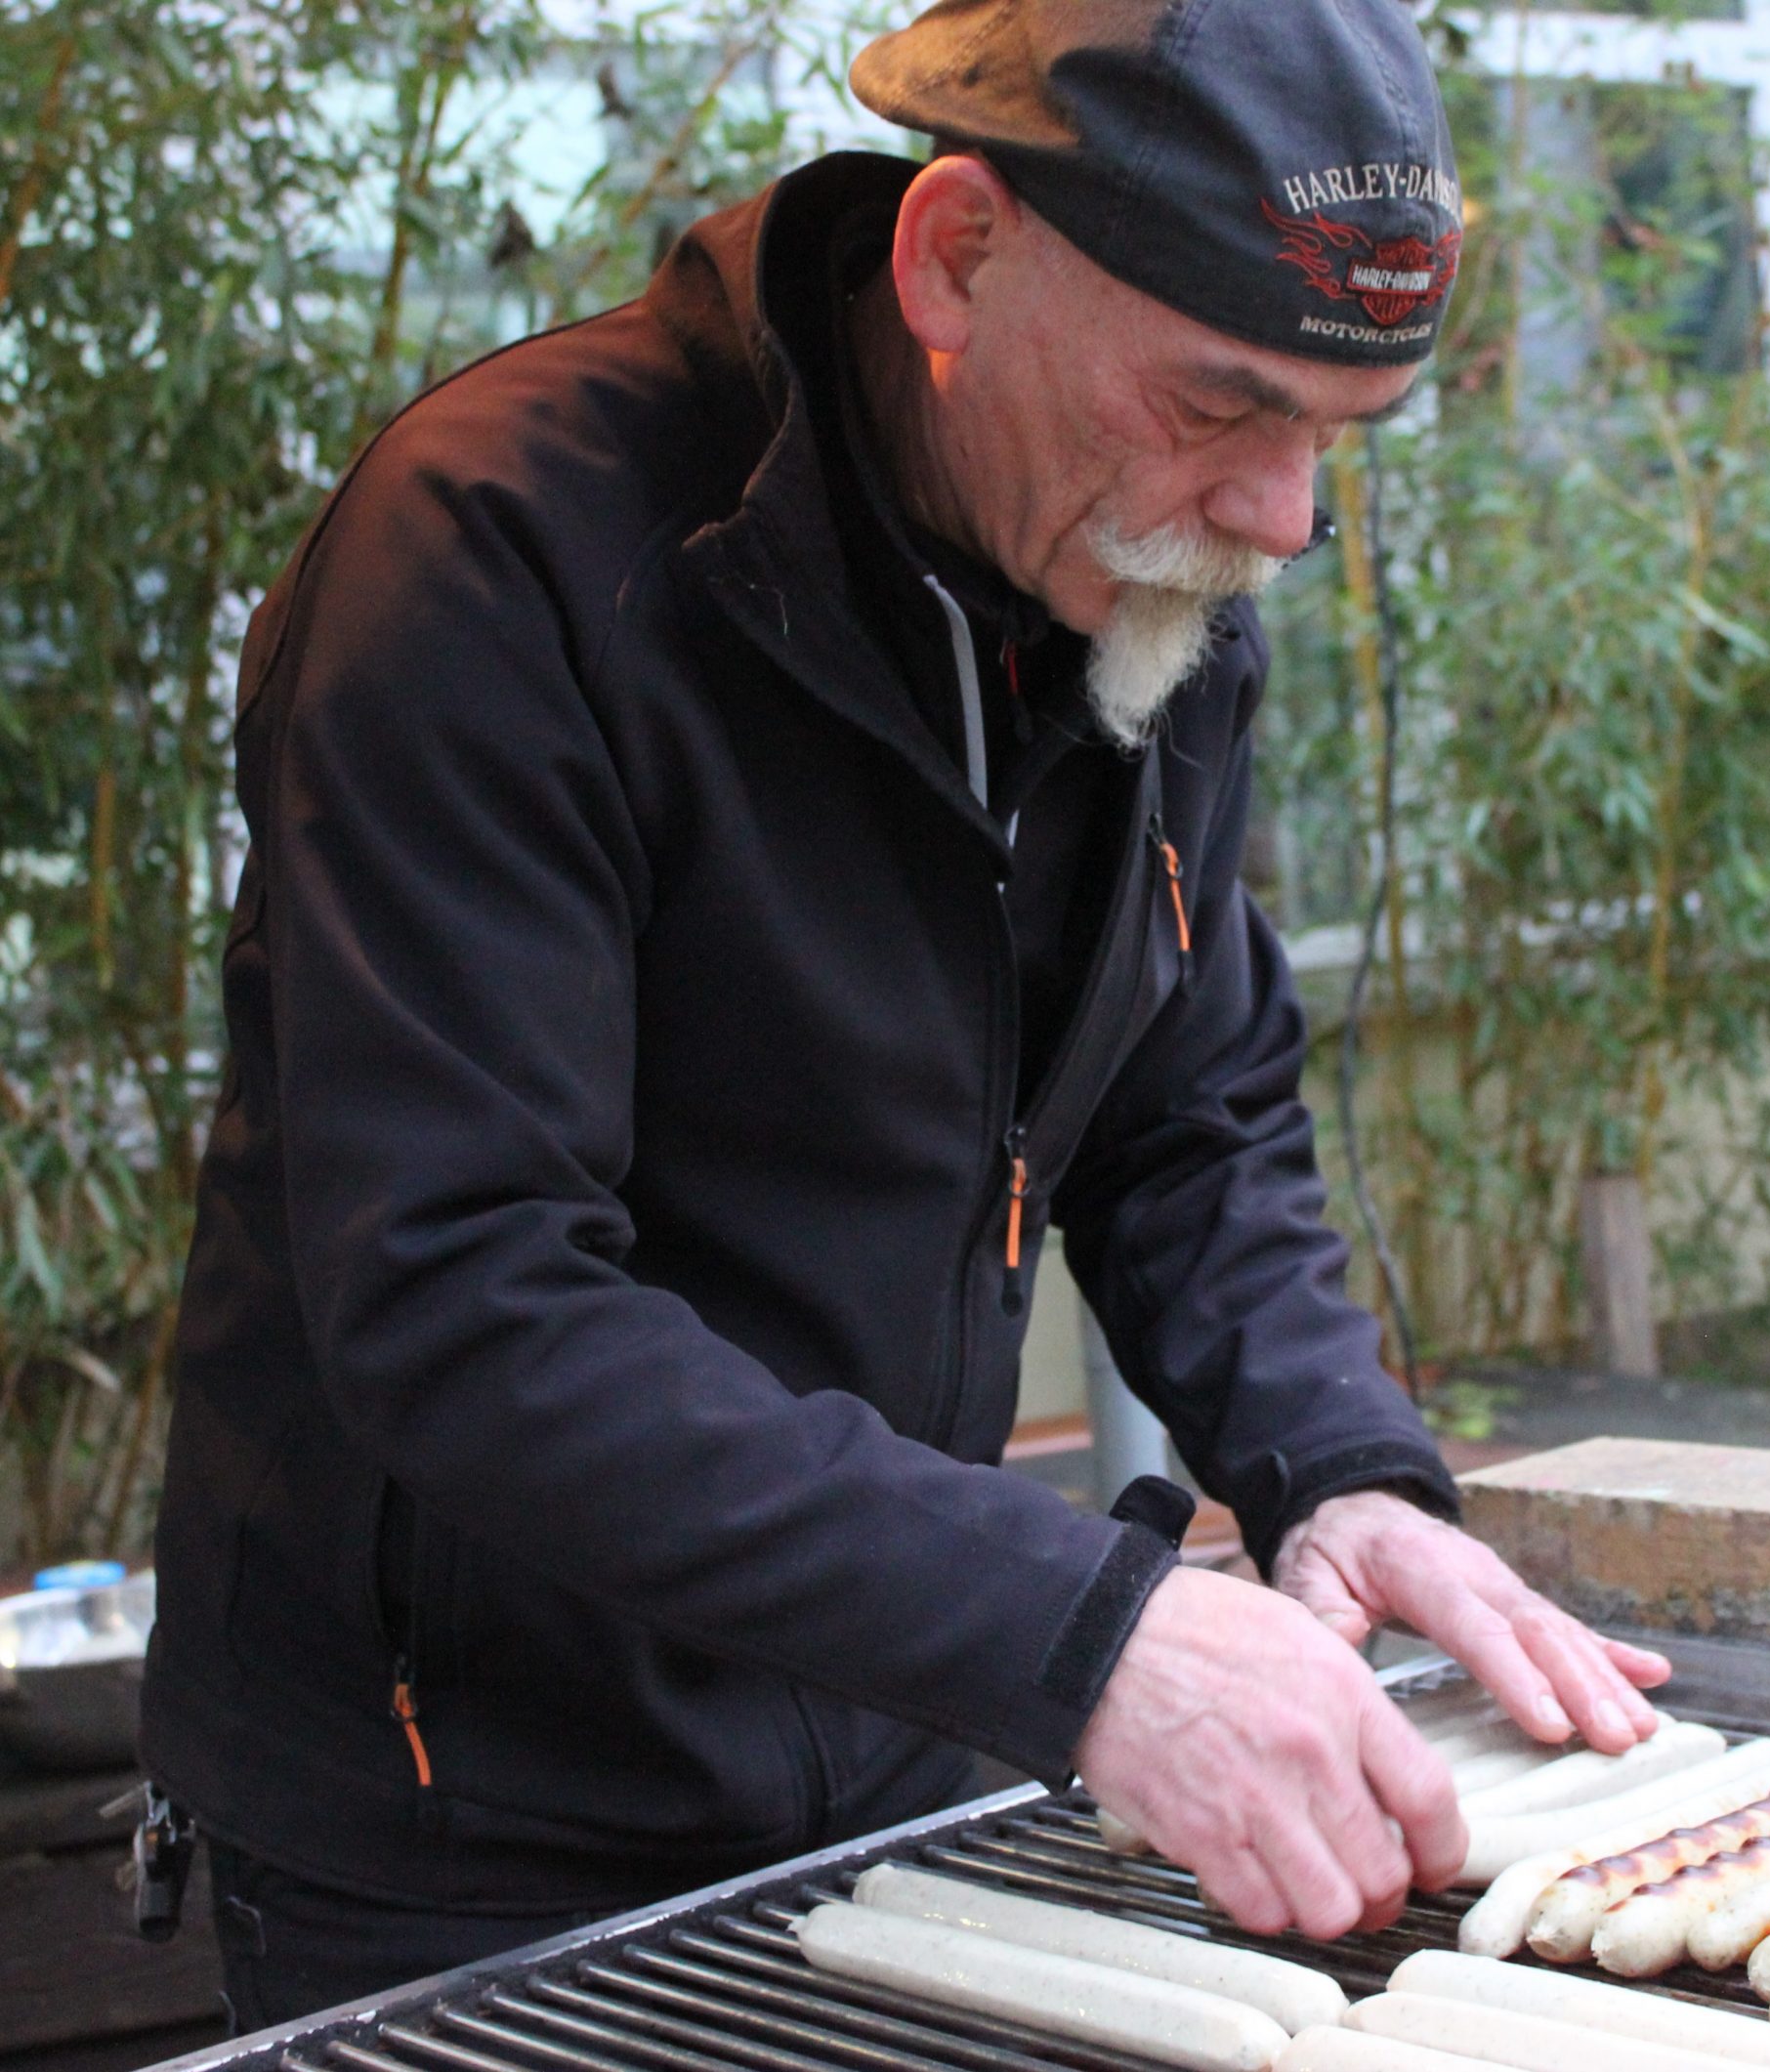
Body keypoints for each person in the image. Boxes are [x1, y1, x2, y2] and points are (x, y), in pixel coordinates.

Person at [140, 0, 1669, 2030]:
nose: (1283, 516)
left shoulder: (1145, 576)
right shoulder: (498, 559)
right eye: (1224, 401)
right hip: (464, 1816)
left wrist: (1338, 1465)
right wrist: (1083, 1633)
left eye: (1338, 432)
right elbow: (464, 1294)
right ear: (956, 256)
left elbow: (1186, 1117)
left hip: (894, 1736)